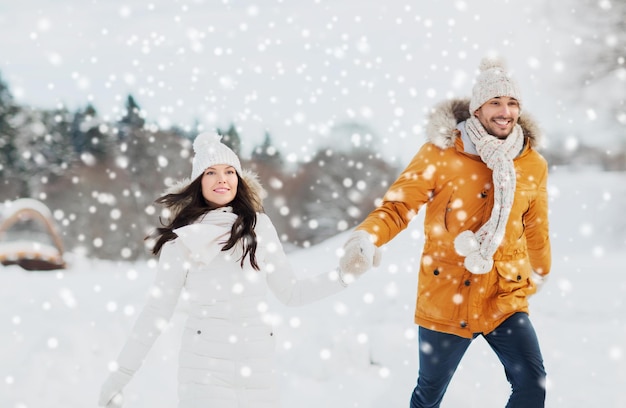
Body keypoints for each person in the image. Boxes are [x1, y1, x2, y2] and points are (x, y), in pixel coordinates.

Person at [339, 57, 551, 407]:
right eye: (495, 102)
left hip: (504, 294)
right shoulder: (440, 153)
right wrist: (366, 237)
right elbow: (398, 206)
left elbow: (536, 224)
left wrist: (541, 269)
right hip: (447, 293)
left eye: (512, 103)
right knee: (429, 395)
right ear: (477, 108)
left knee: (532, 383)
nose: (505, 111)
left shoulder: (531, 162)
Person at [99, 132, 348, 408]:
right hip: (204, 376)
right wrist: (118, 378)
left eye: (230, 171)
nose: (222, 179)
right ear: (198, 183)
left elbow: (292, 293)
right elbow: (156, 312)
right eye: (211, 172)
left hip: (258, 376)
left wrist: (345, 275)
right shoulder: (182, 241)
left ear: (239, 180)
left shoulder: (259, 228)